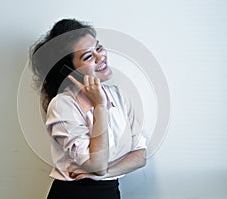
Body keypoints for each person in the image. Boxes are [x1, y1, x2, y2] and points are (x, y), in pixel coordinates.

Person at [29, 18, 147, 199]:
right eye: (88, 56)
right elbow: (96, 165)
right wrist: (99, 106)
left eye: (98, 48)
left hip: (110, 191)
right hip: (75, 194)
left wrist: (107, 173)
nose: (101, 57)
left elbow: (140, 156)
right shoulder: (63, 105)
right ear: (69, 70)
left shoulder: (119, 96)